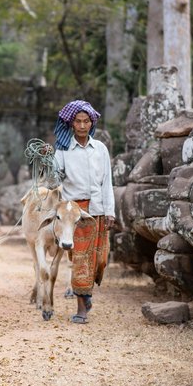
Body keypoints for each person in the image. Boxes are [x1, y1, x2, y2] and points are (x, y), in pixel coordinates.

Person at [53, 100, 115, 324]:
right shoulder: (62, 150)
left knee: (99, 260)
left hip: (98, 209)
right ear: (71, 124)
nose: (82, 125)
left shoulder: (100, 149)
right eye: (78, 121)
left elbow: (107, 181)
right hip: (75, 213)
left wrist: (110, 212)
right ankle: (81, 307)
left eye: (86, 121)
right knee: (80, 259)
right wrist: (45, 160)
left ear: (92, 123)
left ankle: (86, 293)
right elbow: (54, 178)